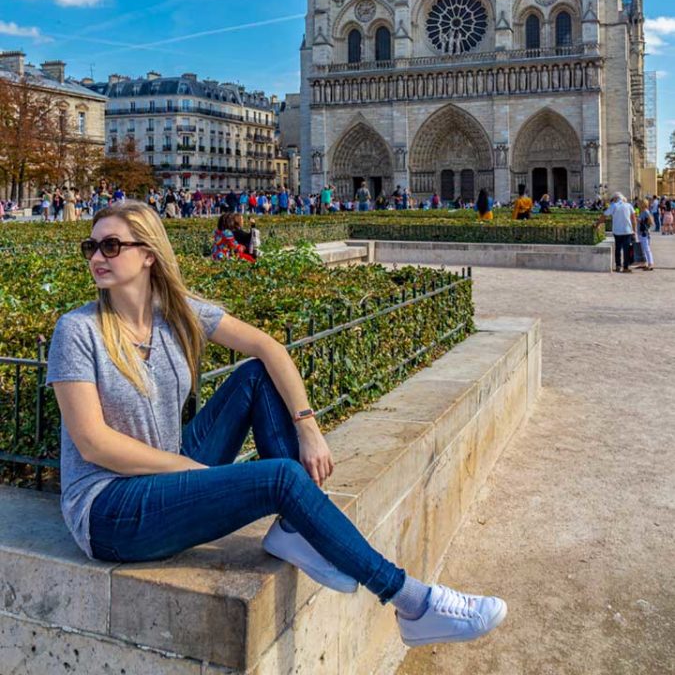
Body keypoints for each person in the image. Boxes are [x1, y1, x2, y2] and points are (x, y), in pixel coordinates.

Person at [46, 202, 506, 647]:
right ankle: (412, 603)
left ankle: (293, 527)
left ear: (148, 254)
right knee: (282, 477)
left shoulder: (176, 312)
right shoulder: (78, 330)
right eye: (91, 247)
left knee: (254, 376)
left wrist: (308, 425)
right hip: (110, 508)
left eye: (111, 246)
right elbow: (93, 444)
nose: (97, 258)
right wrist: (191, 470)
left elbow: (270, 348)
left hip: (167, 475)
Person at [604, 193, 637, 272]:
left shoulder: (614, 206)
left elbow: (604, 215)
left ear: (616, 198)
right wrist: (634, 230)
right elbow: (633, 219)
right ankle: (626, 267)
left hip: (617, 231)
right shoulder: (629, 206)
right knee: (627, 249)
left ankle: (618, 266)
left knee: (618, 249)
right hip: (627, 231)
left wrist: (597, 224)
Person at [637, 198, 655, 271]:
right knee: (644, 248)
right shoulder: (642, 212)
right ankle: (646, 263)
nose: (638, 204)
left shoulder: (646, 212)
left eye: (640, 203)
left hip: (644, 232)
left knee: (647, 248)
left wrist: (641, 221)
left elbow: (650, 222)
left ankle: (651, 263)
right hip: (641, 232)